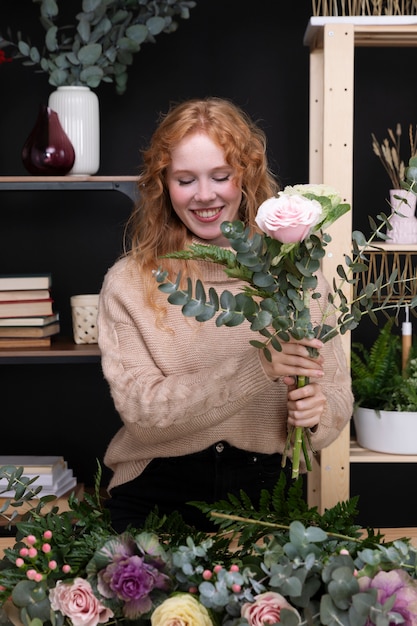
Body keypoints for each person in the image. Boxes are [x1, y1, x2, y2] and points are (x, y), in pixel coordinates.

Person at [97, 97, 353, 532]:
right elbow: (141, 414)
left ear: (246, 178)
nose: (204, 195)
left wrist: (316, 416)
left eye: (221, 176)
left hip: (264, 489)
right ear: (163, 184)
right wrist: (258, 367)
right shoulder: (128, 282)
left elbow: (338, 395)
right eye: (184, 180)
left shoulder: (297, 276)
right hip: (155, 491)